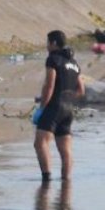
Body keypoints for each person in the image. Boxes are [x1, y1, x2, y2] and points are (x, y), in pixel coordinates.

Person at [32, 30, 85, 181]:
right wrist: (66, 98)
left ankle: (46, 180)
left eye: (48, 42)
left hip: (54, 107)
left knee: (40, 143)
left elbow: (49, 85)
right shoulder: (74, 63)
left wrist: (42, 107)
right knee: (66, 150)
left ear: (53, 43)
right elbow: (81, 90)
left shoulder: (53, 60)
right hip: (68, 110)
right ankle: (66, 183)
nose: (46, 46)